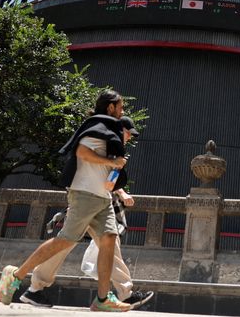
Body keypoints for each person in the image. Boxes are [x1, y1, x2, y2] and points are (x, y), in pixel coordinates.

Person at [0, 90, 136, 311]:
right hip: (85, 193)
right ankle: (15, 274)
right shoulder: (98, 126)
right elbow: (82, 152)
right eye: (120, 107)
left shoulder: (108, 128)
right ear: (110, 107)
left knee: (109, 239)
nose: (122, 111)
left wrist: (115, 166)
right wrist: (113, 163)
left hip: (101, 196)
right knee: (66, 240)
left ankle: (102, 299)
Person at [19, 116, 153, 310]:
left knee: (100, 244)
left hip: (98, 203)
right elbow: (91, 171)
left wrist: (121, 192)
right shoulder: (102, 144)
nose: (129, 138)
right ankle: (29, 284)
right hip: (87, 202)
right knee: (66, 243)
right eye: (127, 133)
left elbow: (107, 179)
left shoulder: (114, 150)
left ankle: (34, 288)